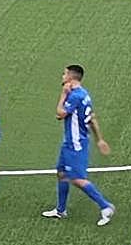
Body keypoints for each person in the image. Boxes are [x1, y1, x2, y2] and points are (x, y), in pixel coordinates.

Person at [41, 64, 116, 225]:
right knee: (61, 173)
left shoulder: (74, 96)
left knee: (77, 179)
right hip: (69, 142)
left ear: (71, 77)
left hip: (75, 144)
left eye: (64, 74)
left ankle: (105, 206)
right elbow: (92, 118)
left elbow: (60, 113)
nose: (62, 77)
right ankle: (61, 210)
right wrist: (99, 139)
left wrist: (63, 95)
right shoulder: (84, 94)